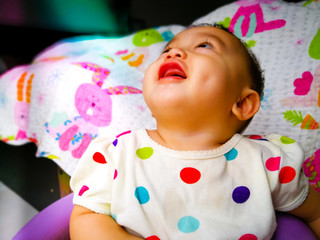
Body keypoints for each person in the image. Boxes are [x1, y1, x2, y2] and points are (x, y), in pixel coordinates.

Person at [69, 24, 320, 239]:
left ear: (243, 103)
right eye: (166, 51)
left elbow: (316, 212)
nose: (173, 52)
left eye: (204, 47)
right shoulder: (116, 155)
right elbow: (86, 218)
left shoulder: (268, 164)